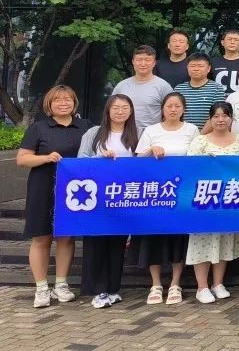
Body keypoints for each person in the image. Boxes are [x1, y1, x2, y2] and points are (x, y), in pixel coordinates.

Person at [17, 86, 90, 308]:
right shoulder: (38, 128)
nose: (63, 103)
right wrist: (46, 158)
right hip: (43, 186)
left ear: (74, 103)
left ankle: (61, 285)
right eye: (58, 100)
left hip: (76, 191)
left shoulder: (86, 127)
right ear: (49, 104)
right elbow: (22, 159)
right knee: (41, 237)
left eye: (68, 99)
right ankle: (41, 288)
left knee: (66, 237)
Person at [131, 93, 199, 305]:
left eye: (177, 106)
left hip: (182, 193)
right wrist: (150, 150)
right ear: (162, 108)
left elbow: (197, 157)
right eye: (169, 106)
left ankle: (176, 283)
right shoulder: (151, 131)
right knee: (154, 237)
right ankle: (156, 284)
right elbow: (137, 160)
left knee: (178, 238)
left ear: (183, 109)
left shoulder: (192, 130)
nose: (173, 109)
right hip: (155, 194)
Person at [78, 94, 137, 309]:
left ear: (131, 111)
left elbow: (142, 164)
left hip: (123, 197)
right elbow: (80, 161)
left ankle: (113, 288)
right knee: (97, 243)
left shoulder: (136, 134)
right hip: (96, 198)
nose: (120, 112)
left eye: (125, 107)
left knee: (117, 243)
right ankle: (98, 289)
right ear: (108, 110)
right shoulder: (93, 133)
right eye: (116, 108)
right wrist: (99, 159)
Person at [185, 102, 239, 304]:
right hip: (205, 201)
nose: (221, 119)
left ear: (231, 118)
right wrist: (205, 161)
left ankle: (218, 283)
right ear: (210, 119)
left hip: (230, 201)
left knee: (224, 241)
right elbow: (189, 168)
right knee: (202, 241)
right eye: (216, 116)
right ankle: (202, 286)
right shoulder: (200, 141)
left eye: (225, 115)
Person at [113, 45, 175, 129]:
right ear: (133, 62)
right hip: (125, 133)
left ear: (154, 63)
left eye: (147, 60)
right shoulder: (121, 86)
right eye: (139, 60)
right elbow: (111, 110)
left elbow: (172, 112)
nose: (143, 64)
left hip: (152, 134)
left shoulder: (163, 86)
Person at [174, 52, 227, 129]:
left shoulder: (217, 89)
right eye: (192, 66)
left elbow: (217, 116)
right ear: (187, 67)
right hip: (183, 133)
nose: (196, 69)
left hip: (206, 135)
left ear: (208, 68)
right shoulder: (179, 89)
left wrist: (200, 135)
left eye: (200, 66)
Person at [211, 29, 239, 95]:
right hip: (218, 100)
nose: (232, 42)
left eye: (236, 40)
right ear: (222, 42)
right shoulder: (213, 62)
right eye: (229, 39)